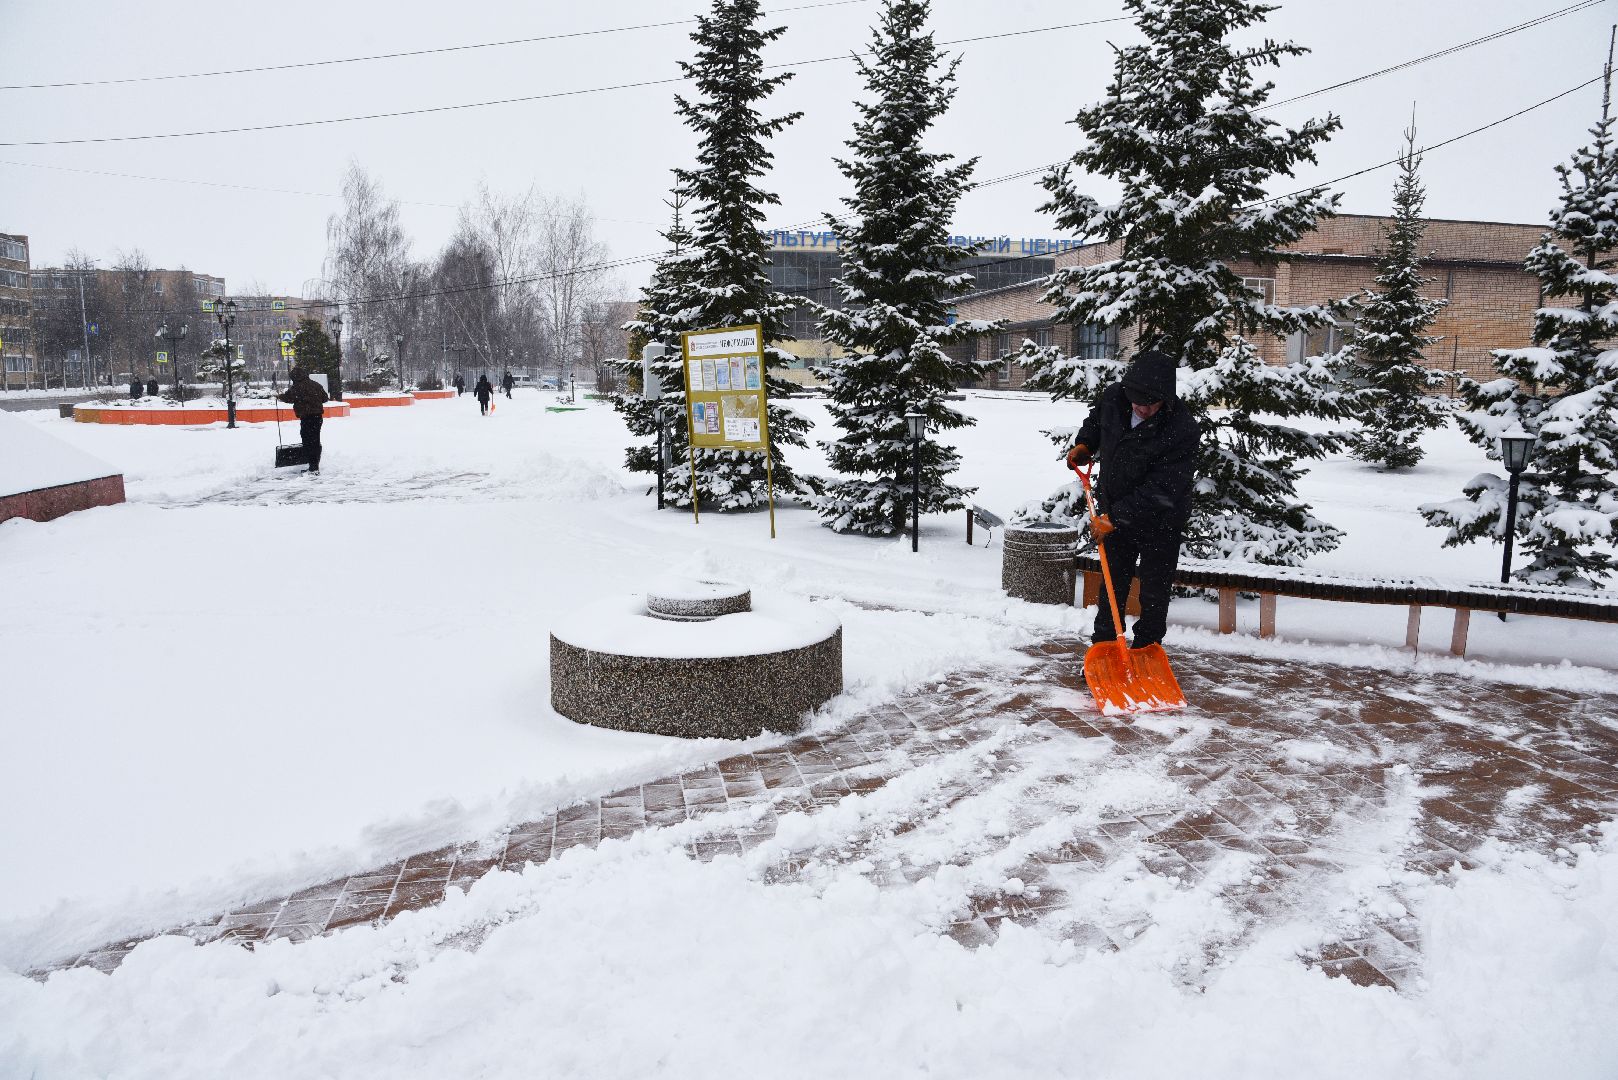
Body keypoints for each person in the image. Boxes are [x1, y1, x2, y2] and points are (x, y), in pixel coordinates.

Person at [1065, 349, 1200, 651]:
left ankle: (1147, 650)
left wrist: (1114, 518)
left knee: (1154, 592)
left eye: (1151, 403)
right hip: (1116, 512)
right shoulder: (1115, 398)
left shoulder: (1182, 429)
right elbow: (1096, 421)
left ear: (1166, 397)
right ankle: (1106, 647)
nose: (1142, 408)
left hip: (1161, 521)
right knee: (1112, 587)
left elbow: (1162, 489)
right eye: (1137, 401)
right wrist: (1086, 443)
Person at [279, 364, 329, 474]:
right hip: (317, 417)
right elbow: (325, 398)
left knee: (307, 441)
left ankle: (313, 467)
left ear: (295, 377)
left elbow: (288, 398)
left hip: (306, 418)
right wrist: (313, 399)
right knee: (315, 440)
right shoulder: (316, 385)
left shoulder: (297, 387)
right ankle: (314, 466)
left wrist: (279, 396)